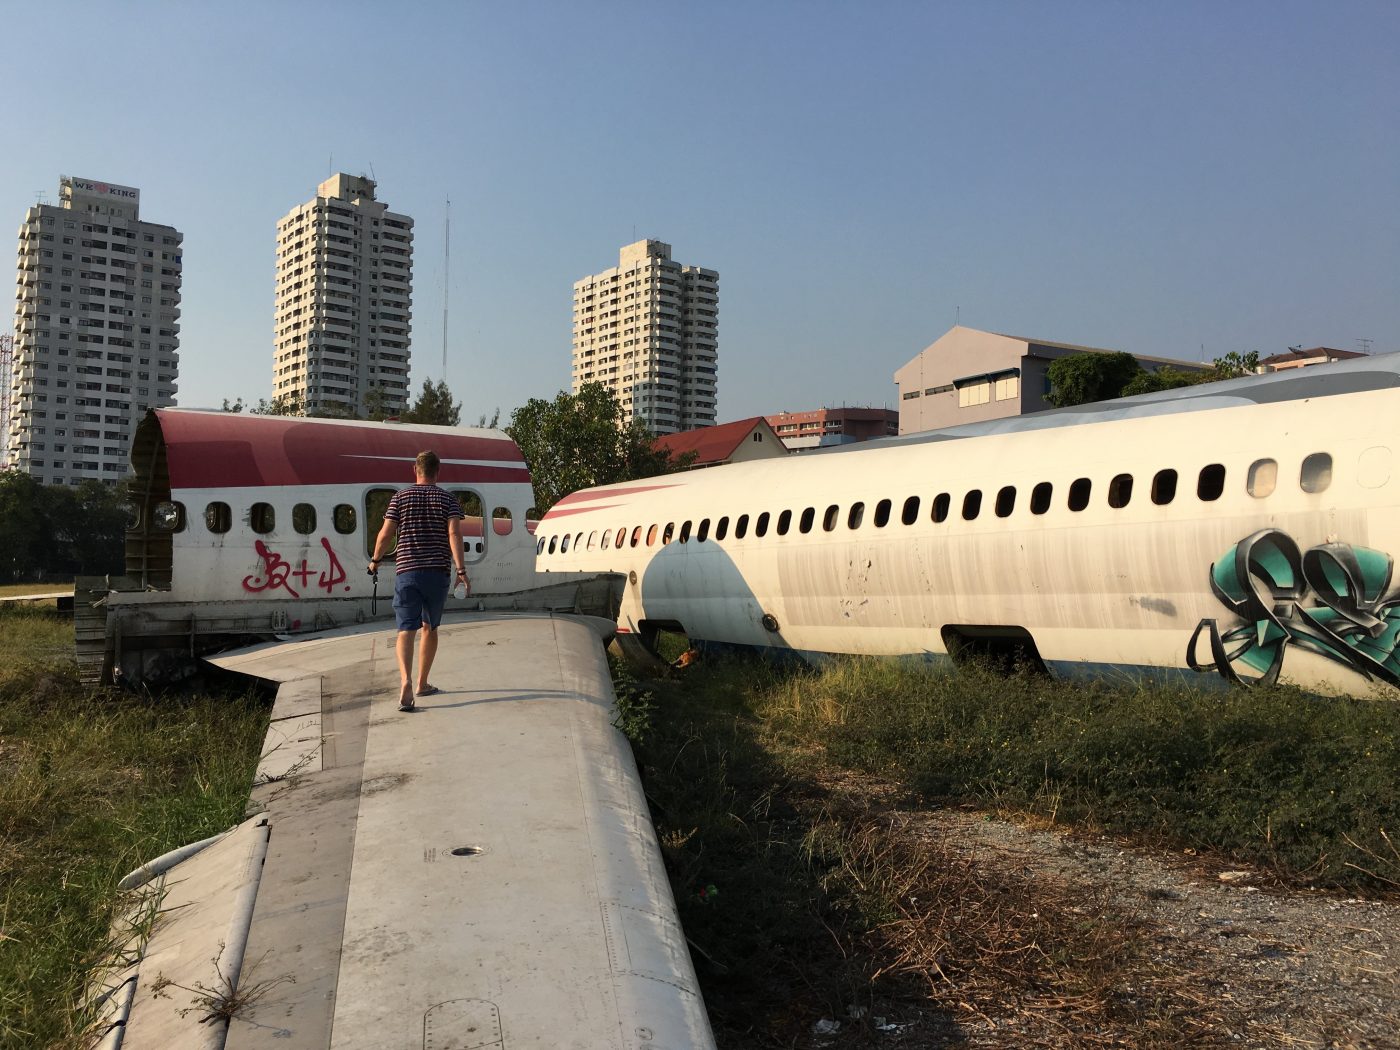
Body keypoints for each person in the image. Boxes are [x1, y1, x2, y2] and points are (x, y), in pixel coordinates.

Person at [367, 450, 470, 711]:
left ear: (415, 469)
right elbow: (454, 533)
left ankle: (406, 681)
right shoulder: (448, 500)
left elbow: (386, 533)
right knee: (430, 628)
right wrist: (461, 571)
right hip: (436, 573)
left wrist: (375, 560)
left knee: (405, 629)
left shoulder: (399, 498)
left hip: (408, 572)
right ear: (439, 471)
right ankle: (423, 683)